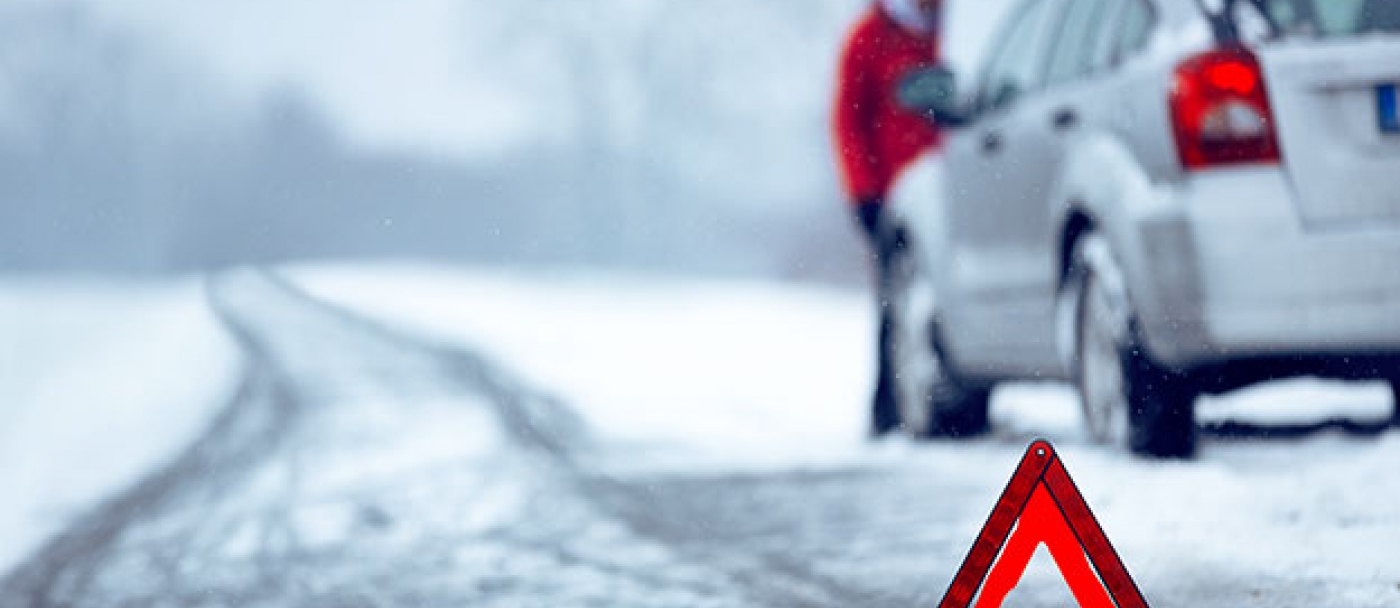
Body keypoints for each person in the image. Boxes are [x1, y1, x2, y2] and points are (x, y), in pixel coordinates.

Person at [833, 0, 944, 436]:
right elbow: (848, 122)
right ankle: (888, 409)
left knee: (939, 298)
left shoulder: (950, 30)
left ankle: (950, 405)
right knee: (895, 301)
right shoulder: (870, 37)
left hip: (949, 194)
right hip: (893, 198)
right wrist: (864, 193)